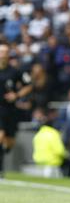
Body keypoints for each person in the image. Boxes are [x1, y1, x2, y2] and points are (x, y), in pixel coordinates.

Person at [0, 43, 32, 178]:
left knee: (9, 141)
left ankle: (4, 151)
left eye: (6, 52)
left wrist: (17, 95)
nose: (3, 54)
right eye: (1, 52)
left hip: (11, 110)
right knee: (0, 137)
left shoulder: (15, 71)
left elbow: (29, 85)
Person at [32, 109, 70, 178]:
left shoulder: (38, 134)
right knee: (69, 163)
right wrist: (66, 155)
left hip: (38, 162)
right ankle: (66, 179)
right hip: (51, 162)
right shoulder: (53, 133)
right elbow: (59, 150)